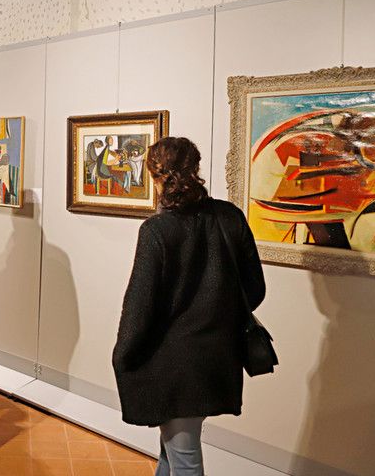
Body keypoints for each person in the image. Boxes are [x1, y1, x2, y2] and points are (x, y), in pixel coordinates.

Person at [112, 137, 266, 476]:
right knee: (172, 451)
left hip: (175, 365)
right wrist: (216, 315)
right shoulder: (229, 216)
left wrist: (123, 355)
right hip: (218, 356)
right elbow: (255, 290)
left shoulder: (157, 229)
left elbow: (139, 306)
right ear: (195, 169)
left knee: (185, 462)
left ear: (155, 175)